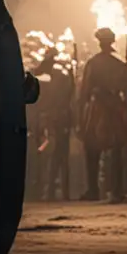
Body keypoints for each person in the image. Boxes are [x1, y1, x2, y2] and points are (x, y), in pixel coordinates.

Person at [77, 27, 127, 202]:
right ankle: (116, 190)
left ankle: (93, 189)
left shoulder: (93, 63)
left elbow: (85, 90)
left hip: (98, 109)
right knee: (116, 149)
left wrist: (81, 112)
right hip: (115, 107)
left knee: (92, 147)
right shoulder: (121, 64)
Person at [29, 43, 75, 201]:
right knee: (61, 154)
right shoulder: (62, 69)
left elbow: (54, 97)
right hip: (63, 116)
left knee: (54, 153)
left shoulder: (55, 73)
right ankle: (63, 191)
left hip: (57, 116)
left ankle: (50, 192)